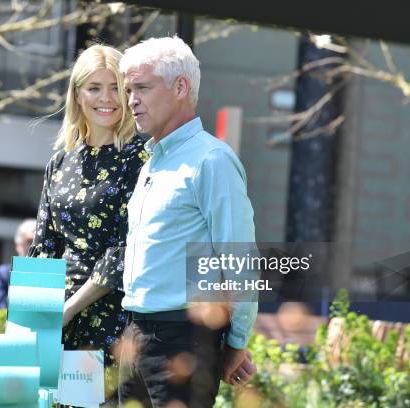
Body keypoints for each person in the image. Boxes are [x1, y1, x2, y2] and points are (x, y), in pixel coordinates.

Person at [117, 36, 258, 407]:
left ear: (181, 87)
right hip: (136, 331)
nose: (131, 100)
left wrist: (236, 343)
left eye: (142, 88)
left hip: (184, 337)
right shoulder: (153, 161)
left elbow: (239, 261)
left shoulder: (212, 161)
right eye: (129, 89)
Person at [27, 44, 147, 403]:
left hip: (108, 319)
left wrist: (68, 309)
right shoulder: (60, 162)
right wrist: (29, 315)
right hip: (54, 319)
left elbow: (123, 252)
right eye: (94, 88)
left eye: (115, 88)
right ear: (77, 94)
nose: (106, 99)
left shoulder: (140, 159)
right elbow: (43, 247)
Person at [0, 218, 36, 309]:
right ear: (18, 245)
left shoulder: (53, 273)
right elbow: (0, 305)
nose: (33, 246)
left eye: (38, 241)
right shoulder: (3, 273)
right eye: (29, 241)